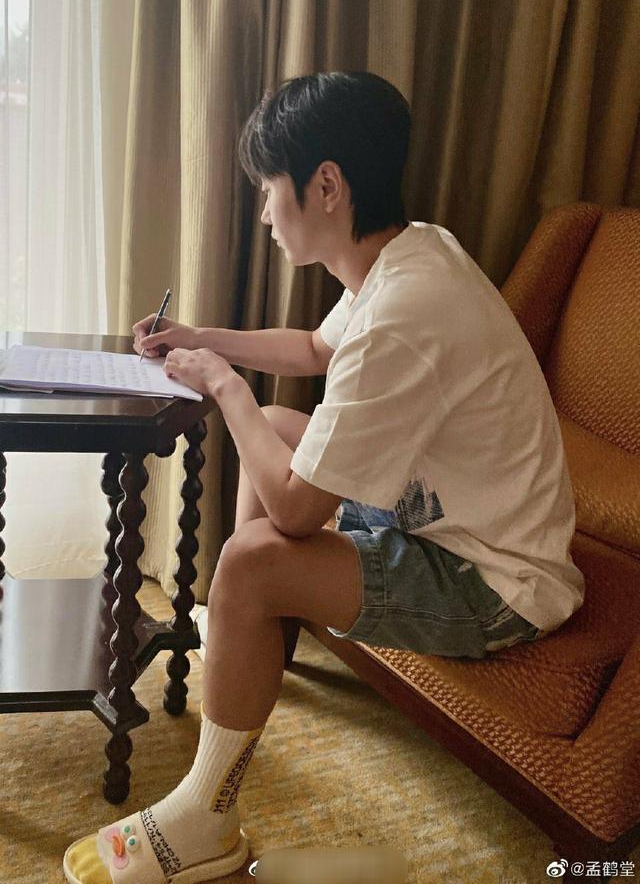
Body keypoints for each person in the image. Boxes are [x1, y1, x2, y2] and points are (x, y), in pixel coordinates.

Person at [63, 70, 585, 884]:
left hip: (498, 581)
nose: (265, 214)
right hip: (449, 518)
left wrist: (224, 385)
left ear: (327, 186)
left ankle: (207, 817)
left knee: (253, 555)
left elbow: (297, 511)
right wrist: (202, 339)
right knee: (277, 428)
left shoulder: (402, 314)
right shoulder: (414, 252)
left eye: (270, 190)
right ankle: (255, 638)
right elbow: (313, 348)